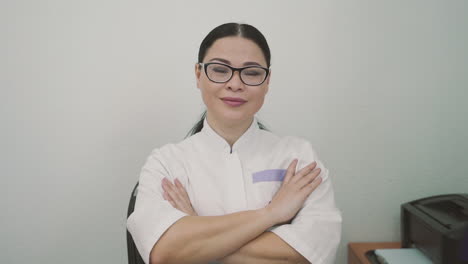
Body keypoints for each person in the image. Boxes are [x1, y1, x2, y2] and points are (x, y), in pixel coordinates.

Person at [126, 22, 342, 264]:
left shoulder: (300, 159)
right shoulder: (166, 164)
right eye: (220, 70)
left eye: (251, 73)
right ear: (198, 75)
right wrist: (271, 214)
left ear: (267, 81)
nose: (235, 84)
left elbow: (307, 256)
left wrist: (197, 231)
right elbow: (165, 253)